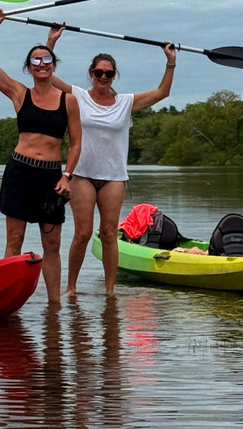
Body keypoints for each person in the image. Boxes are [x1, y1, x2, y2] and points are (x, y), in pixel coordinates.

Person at [45, 25, 177, 296]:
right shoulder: (78, 96)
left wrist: (170, 61)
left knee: (108, 234)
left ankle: (109, 292)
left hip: (114, 176)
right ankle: (70, 289)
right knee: (83, 233)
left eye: (108, 73)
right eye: (98, 72)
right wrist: (51, 42)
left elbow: (162, 92)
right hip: (81, 174)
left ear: (114, 75)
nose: (103, 77)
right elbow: (48, 77)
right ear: (91, 73)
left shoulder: (126, 102)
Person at [0, 9, 82, 304]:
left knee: (52, 244)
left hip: (52, 177)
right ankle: (3, 301)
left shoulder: (69, 101)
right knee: (14, 241)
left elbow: (75, 144)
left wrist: (68, 175)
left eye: (47, 59)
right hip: (20, 172)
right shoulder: (19, 93)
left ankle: (54, 307)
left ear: (53, 64)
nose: (41, 64)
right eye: (35, 60)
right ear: (29, 68)